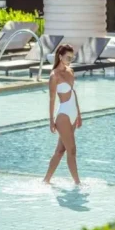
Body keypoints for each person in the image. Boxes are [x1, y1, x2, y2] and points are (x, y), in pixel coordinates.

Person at [44, 44, 82, 185]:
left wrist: (79, 115)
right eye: (68, 57)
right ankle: (78, 183)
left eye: (72, 57)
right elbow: (52, 99)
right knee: (72, 150)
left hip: (72, 114)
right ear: (60, 56)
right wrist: (51, 121)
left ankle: (46, 180)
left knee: (60, 151)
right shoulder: (54, 76)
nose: (70, 60)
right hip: (63, 115)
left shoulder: (70, 71)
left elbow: (74, 92)